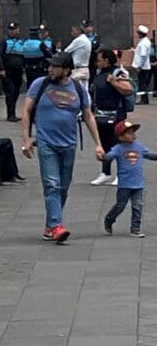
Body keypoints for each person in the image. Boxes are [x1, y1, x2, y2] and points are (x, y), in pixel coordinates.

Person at [21, 52, 104, 244]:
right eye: (49, 66)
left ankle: (51, 225)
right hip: (46, 143)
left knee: (63, 187)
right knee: (52, 184)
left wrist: (98, 144)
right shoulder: (40, 85)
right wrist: (26, 139)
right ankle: (57, 226)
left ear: (66, 70)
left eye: (55, 66)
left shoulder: (77, 88)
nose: (50, 69)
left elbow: (88, 116)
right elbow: (26, 110)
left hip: (69, 144)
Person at [102, 121, 157, 238]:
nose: (133, 135)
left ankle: (135, 228)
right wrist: (103, 156)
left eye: (133, 132)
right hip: (124, 184)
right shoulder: (118, 148)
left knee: (138, 205)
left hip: (138, 183)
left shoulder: (139, 147)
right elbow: (109, 156)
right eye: (129, 133)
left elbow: (149, 155)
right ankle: (109, 219)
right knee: (120, 205)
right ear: (121, 137)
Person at [90, 48, 133, 186]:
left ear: (106, 60)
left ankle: (121, 174)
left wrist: (114, 82)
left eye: (99, 60)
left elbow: (128, 90)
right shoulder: (98, 74)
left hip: (116, 115)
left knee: (118, 144)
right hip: (100, 115)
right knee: (104, 144)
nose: (97, 62)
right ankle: (105, 172)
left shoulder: (118, 72)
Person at [0, 21, 24, 122]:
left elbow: (23, 56)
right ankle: (10, 114)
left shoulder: (21, 42)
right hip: (8, 71)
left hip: (18, 71)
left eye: (15, 29)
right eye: (11, 30)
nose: (13, 32)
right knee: (10, 92)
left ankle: (13, 113)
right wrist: (1, 69)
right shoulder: (4, 42)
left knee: (16, 92)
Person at [64, 22, 92, 93]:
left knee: (70, 89)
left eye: (73, 31)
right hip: (85, 69)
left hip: (79, 70)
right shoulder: (86, 39)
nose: (71, 33)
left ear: (79, 31)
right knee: (85, 92)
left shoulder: (78, 40)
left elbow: (66, 51)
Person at [134, 24, 153, 104]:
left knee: (142, 84)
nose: (137, 34)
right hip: (144, 66)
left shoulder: (144, 43)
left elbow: (143, 56)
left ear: (141, 34)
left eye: (138, 33)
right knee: (143, 83)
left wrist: (139, 66)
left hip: (143, 67)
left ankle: (144, 99)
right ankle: (144, 99)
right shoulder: (144, 41)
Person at [83, 19, 100, 85]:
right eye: (85, 27)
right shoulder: (81, 38)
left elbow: (96, 47)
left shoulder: (96, 37)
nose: (86, 29)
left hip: (94, 62)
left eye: (87, 27)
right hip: (84, 62)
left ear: (91, 27)